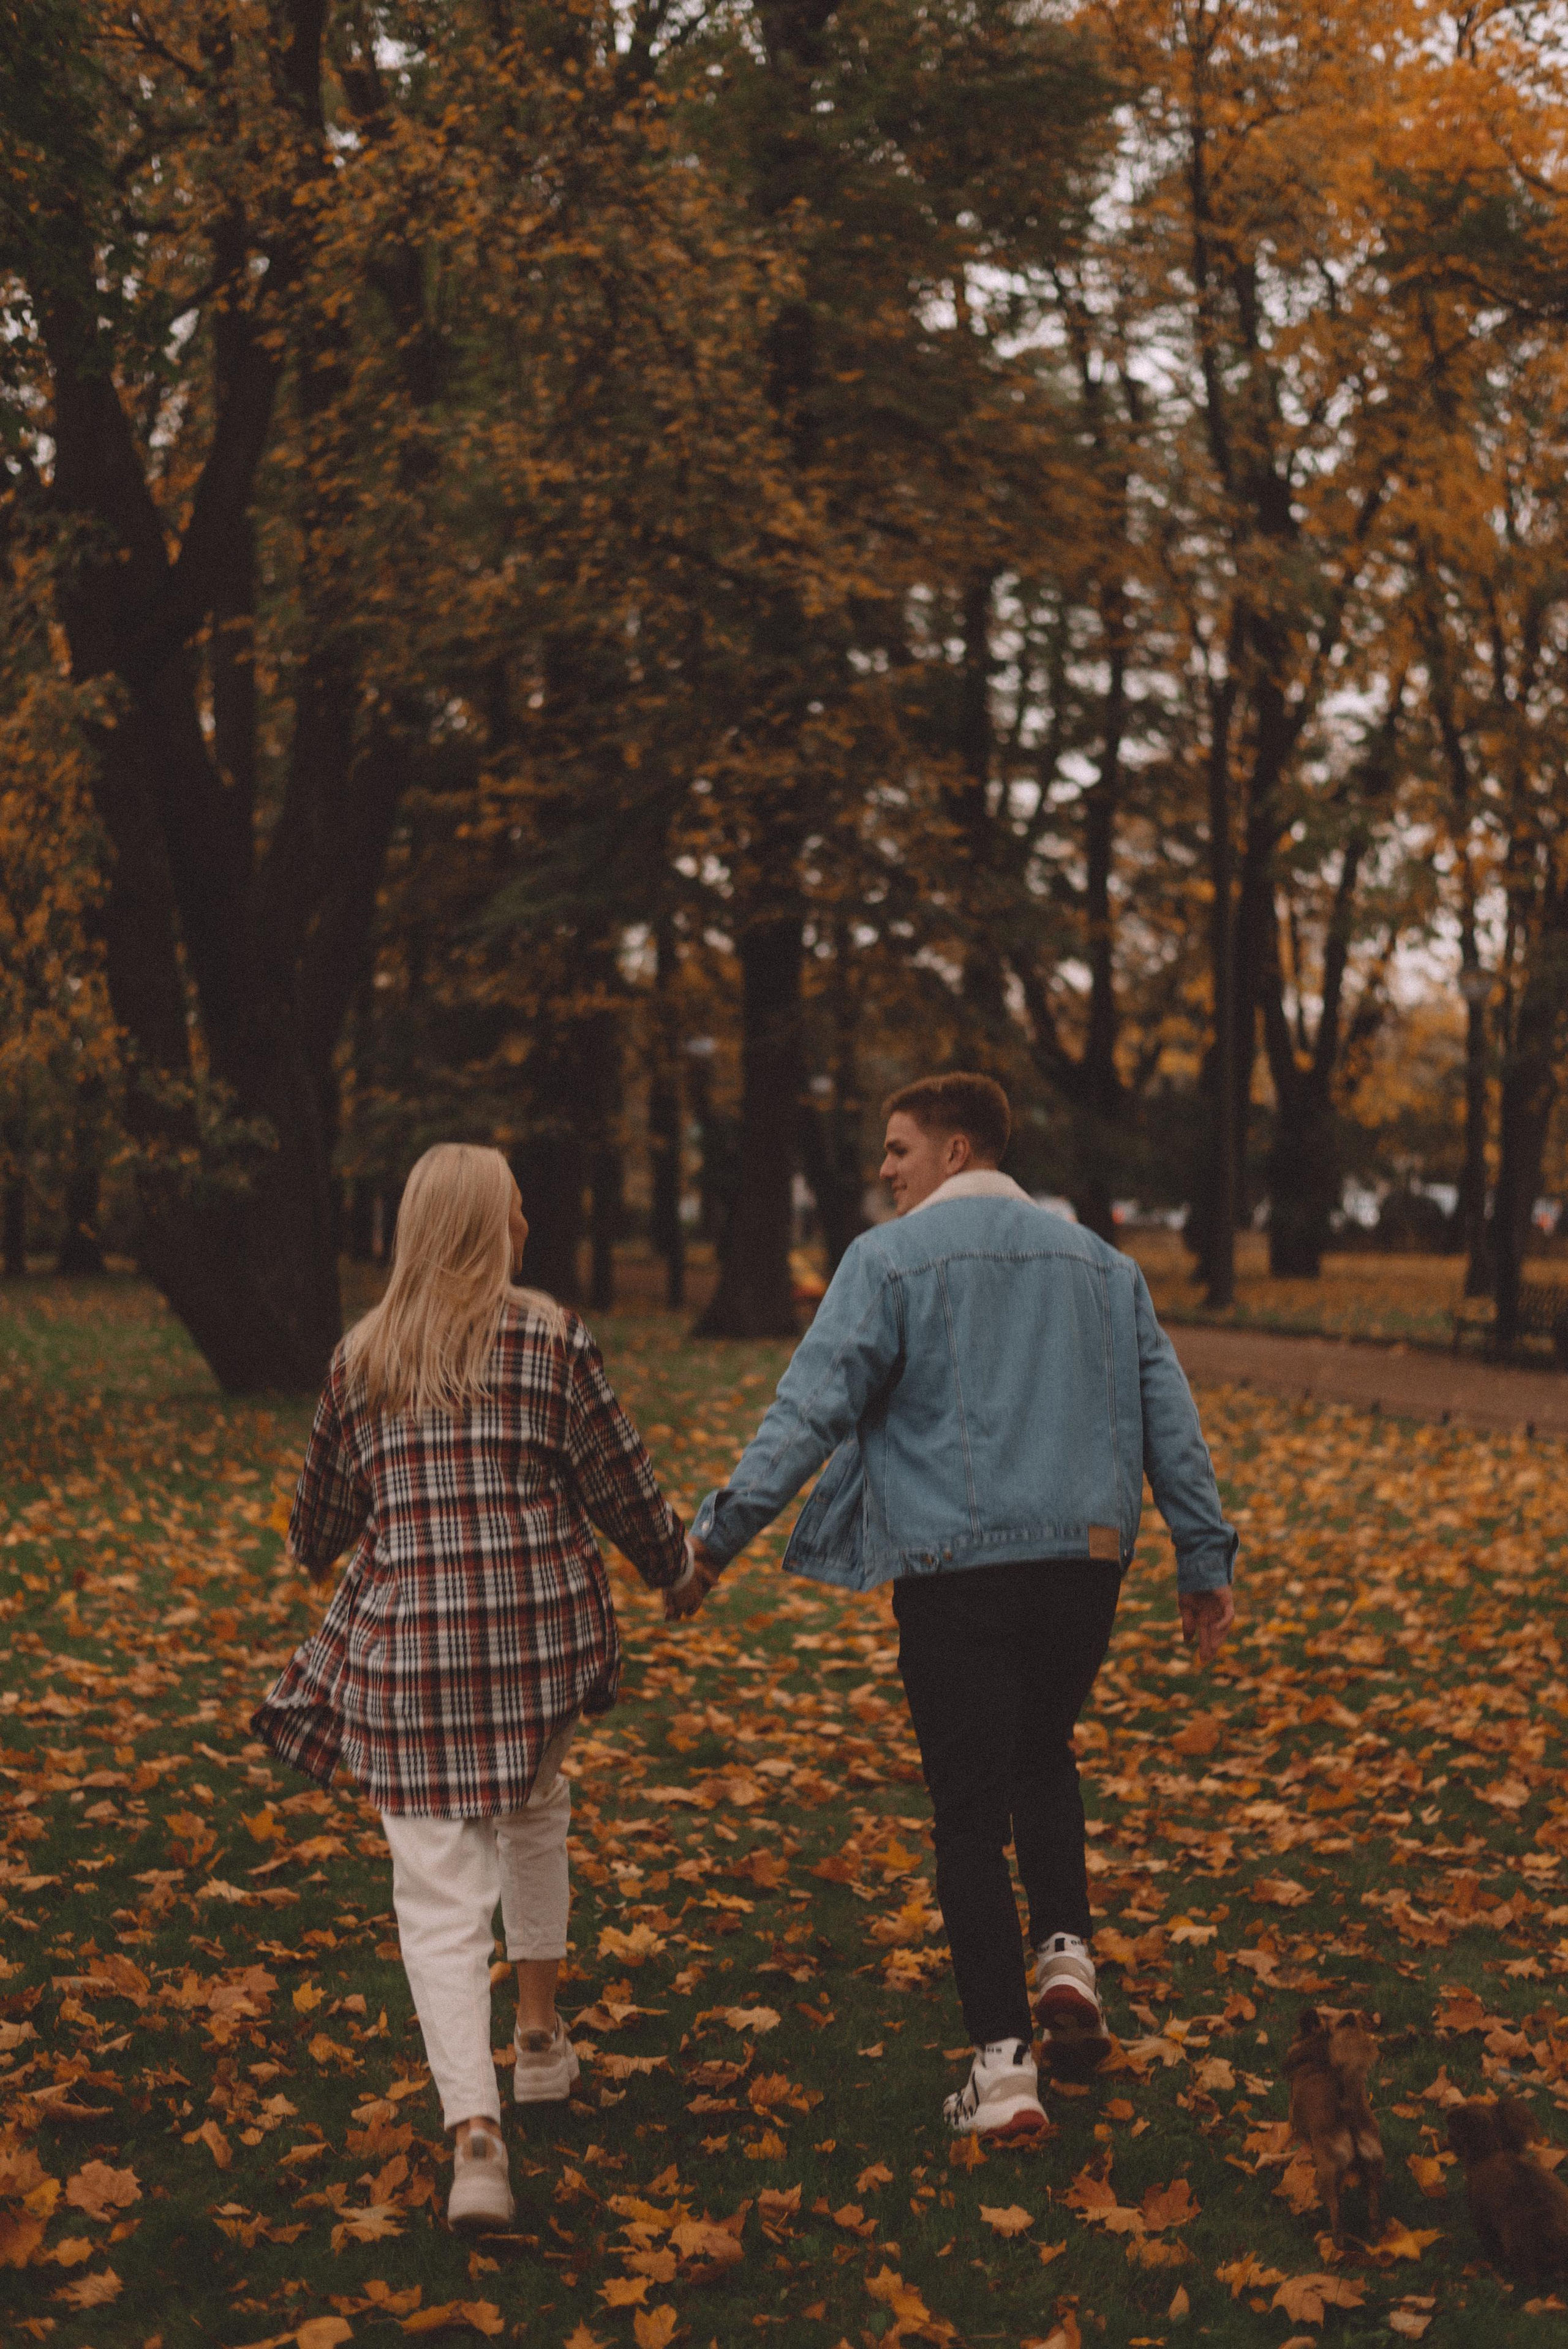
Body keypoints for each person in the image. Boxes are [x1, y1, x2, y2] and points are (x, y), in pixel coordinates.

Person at [671, 1073, 1237, 2140]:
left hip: (956, 1570)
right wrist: (1202, 1561)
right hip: (1087, 1564)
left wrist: (713, 1544)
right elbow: (1173, 1414)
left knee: (968, 1812)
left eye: (898, 1147)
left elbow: (811, 1406)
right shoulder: (1106, 1269)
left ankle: (1004, 2068)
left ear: (958, 1147)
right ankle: (1066, 1952)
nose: (884, 1169)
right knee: (1044, 1750)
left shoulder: (889, 1260)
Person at [253, 1144, 699, 2227]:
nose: (530, 1224)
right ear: (481, 1224)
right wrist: (675, 1566)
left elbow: (315, 1529)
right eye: (515, 1206)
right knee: (536, 1807)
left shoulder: (360, 1358)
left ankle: (478, 2139)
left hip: (409, 1655)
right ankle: (539, 2036)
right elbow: (620, 1478)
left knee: (439, 1899)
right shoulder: (548, 1337)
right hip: (533, 1646)